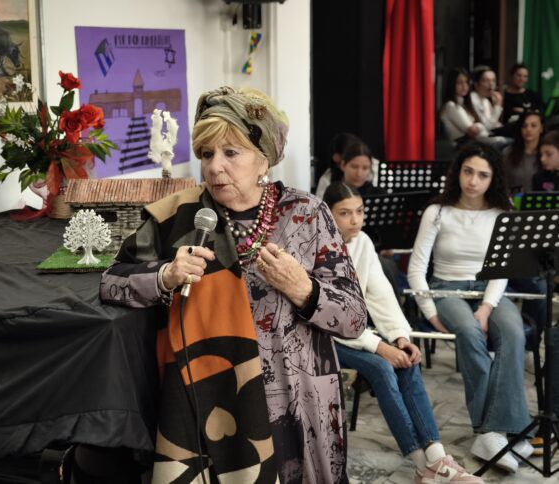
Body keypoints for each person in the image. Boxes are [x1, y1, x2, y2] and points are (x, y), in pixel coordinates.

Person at [100, 86, 368, 483]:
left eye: (230, 152)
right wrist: (165, 276)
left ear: (264, 158)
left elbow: (355, 319)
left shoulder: (307, 215)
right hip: (212, 404)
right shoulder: (177, 217)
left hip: (295, 403)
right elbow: (111, 282)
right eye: (207, 154)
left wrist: (304, 290)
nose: (214, 167)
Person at [325, 182, 484, 484]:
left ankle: (436, 457)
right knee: (383, 367)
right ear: (327, 214)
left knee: (407, 361)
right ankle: (423, 466)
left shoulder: (362, 242)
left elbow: (381, 294)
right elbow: (330, 316)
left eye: (359, 211)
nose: (355, 220)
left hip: (353, 332)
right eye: (345, 213)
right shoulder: (317, 246)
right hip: (322, 335)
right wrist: (380, 347)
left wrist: (400, 338)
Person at [407, 142, 532, 474]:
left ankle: (498, 430)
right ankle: (491, 432)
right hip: (446, 289)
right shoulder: (437, 211)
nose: (473, 181)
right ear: (458, 172)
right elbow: (417, 268)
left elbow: (501, 269)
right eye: (468, 172)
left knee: (514, 332)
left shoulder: (501, 212)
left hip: (489, 290)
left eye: (482, 175)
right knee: (469, 330)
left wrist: (487, 307)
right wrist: (430, 311)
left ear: (493, 179)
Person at [315, 132, 379, 199]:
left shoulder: (375, 188)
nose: (359, 174)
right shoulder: (328, 178)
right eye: (354, 167)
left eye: (365, 168)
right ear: (343, 165)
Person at [439, 68, 490, 146]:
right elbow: (472, 131)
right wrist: (480, 126)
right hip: (461, 146)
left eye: (466, 82)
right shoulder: (451, 105)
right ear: (451, 84)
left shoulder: (464, 105)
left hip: (474, 143)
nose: (464, 86)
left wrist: (478, 126)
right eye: (459, 83)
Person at [502, 110, 544, 192]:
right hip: (515, 198)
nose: (528, 129)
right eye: (524, 126)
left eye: (533, 125)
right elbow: (502, 182)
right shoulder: (508, 153)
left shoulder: (548, 154)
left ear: (541, 128)